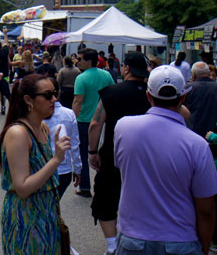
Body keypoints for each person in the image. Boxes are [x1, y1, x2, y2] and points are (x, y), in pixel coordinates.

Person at [114, 65, 217, 254]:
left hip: (133, 240)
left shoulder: (123, 127)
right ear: (183, 98)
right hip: (181, 241)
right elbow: (206, 209)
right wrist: (203, 248)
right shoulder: (197, 145)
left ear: (148, 96)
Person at [0, 74, 70, 254]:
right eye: (47, 95)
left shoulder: (42, 127)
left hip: (47, 213)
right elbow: (22, 188)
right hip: (26, 217)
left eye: (55, 93)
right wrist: (56, 160)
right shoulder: (18, 133)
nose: (54, 99)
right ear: (28, 99)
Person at [87, 52, 151, 255]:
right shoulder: (153, 94)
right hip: (148, 156)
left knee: (106, 197)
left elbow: (96, 123)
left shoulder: (111, 92)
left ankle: (113, 245)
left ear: (126, 69)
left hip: (114, 153)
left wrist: (92, 151)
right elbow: (183, 113)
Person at [72, 48, 114, 198]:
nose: (77, 61)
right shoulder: (107, 75)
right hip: (103, 120)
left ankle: (84, 186)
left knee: (84, 152)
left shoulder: (81, 78)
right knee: (102, 152)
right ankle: (104, 185)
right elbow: (112, 94)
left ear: (89, 61)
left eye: (80, 59)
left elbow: (78, 101)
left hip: (84, 120)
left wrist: (72, 119)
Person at [43, 79, 81, 199]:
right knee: (53, 204)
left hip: (43, 169)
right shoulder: (69, 114)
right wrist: (77, 168)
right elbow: (74, 144)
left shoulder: (36, 115)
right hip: (64, 169)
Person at [184, 61, 217, 139]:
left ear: (193, 74)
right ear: (208, 73)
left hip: (191, 134)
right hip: (212, 135)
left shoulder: (187, 89)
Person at [0, 33, 11, 115]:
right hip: (5, 75)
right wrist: (5, 34)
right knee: (5, 92)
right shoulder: (5, 51)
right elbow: (6, 43)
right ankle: (4, 106)